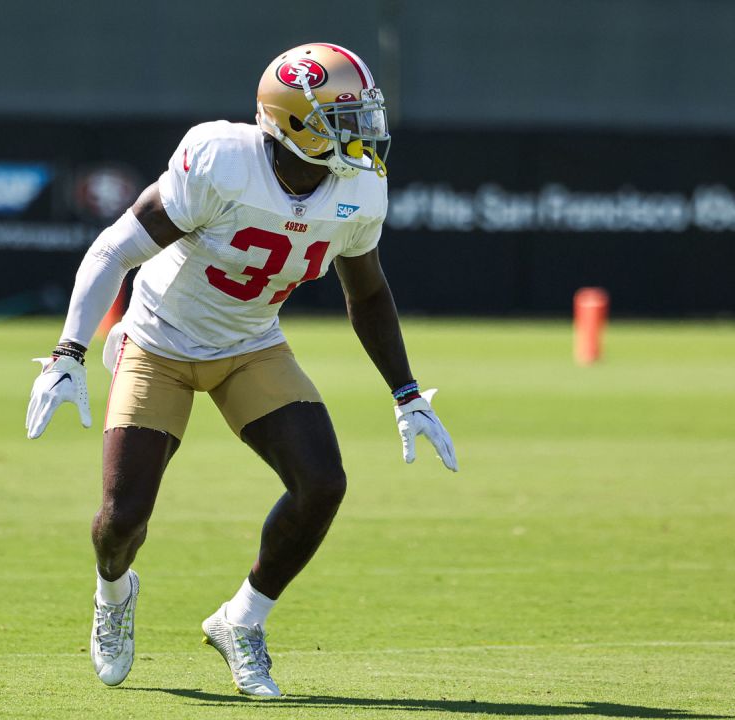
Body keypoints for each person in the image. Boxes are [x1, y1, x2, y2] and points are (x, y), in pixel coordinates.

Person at [25, 42, 458, 698]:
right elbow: (116, 247)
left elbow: (366, 291)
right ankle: (114, 592)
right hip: (158, 345)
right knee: (121, 521)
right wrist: (69, 353)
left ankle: (241, 621)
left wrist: (406, 393)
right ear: (293, 121)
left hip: (250, 346)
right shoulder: (223, 162)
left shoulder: (360, 189)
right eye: (347, 117)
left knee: (323, 483)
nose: (365, 132)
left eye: (366, 115)